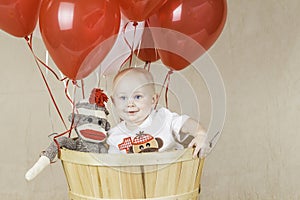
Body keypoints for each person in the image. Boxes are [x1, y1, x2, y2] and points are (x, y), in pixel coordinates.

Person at [107, 68, 208, 158]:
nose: (130, 104)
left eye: (138, 97)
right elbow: (114, 171)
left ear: (153, 100)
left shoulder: (163, 118)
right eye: (123, 98)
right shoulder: (114, 136)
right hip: (134, 178)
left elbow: (185, 123)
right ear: (114, 101)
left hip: (169, 175)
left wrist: (200, 134)